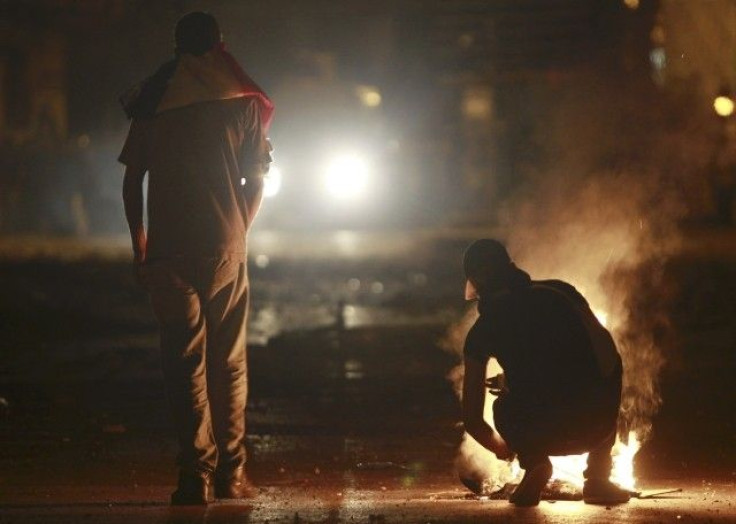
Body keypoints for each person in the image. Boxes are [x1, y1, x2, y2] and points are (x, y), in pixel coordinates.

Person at [119, 12, 273, 505]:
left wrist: (139, 244)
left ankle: (194, 478)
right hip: (226, 247)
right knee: (228, 364)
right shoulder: (243, 104)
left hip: (168, 251)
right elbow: (258, 182)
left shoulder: (156, 101)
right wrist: (238, 232)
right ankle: (232, 473)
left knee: (184, 364)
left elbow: (130, 180)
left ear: (177, 47)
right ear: (219, 46)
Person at [460, 239, 631, 506]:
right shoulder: (562, 292)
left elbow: (472, 420)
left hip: (541, 433)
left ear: (478, 283)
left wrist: (506, 450)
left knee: (502, 406)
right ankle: (598, 478)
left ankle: (536, 464)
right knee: (608, 373)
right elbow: (606, 359)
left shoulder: (481, 331)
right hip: (597, 427)